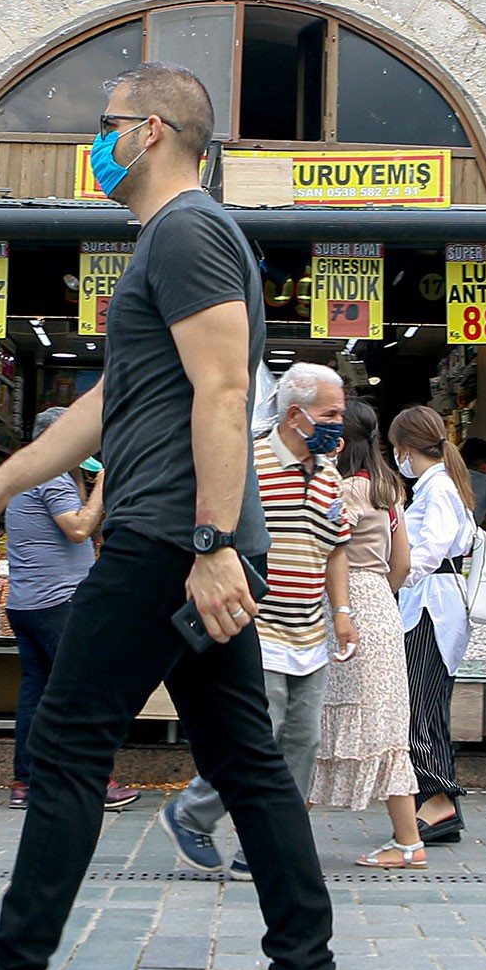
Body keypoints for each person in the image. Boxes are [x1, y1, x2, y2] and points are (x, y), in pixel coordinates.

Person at [0, 63, 360, 970]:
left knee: (70, 736)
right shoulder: (161, 247)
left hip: (170, 537)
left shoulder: (187, 230)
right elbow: (105, 406)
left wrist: (214, 544)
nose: (92, 142)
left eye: (104, 123)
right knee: (246, 762)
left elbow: (225, 393)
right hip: (179, 536)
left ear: (155, 132)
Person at [160, 362, 355, 878]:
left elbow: (336, 549)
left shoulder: (330, 474)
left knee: (303, 740)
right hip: (257, 627)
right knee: (254, 736)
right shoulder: (249, 464)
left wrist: (342, 612)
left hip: (309, 631)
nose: (340, 422)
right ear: (296, 415)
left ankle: (267, 842)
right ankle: (192, 812)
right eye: (331, 413)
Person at [2, 406, 138, 813]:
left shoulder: (26, 474)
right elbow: (79, 527)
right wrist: (104, 482)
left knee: (38, 693)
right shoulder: (52, 476)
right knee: (82, 692)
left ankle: (25, 782)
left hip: (26, 602)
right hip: (58, 602)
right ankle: (93, 780)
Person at [310, 397, 421, 867]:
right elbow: (404, 563)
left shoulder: (339, 489)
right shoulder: (386, 487)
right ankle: (408, 843)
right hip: (381, 606)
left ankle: (277, 839)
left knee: (319, 727)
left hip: (341, 606)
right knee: (384, 729)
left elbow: (325, 549)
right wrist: (379, 592)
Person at [390, 404, 478, 845]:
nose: (395, 458)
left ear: (406, 448)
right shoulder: (438, 484)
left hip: (430, 605)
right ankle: (438, 801)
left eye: (395, 449)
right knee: (425, 703)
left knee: (420, 705)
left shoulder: (437, 488)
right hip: (430, 601)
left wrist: (397, 574)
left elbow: (432, 547)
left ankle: (439, 800)